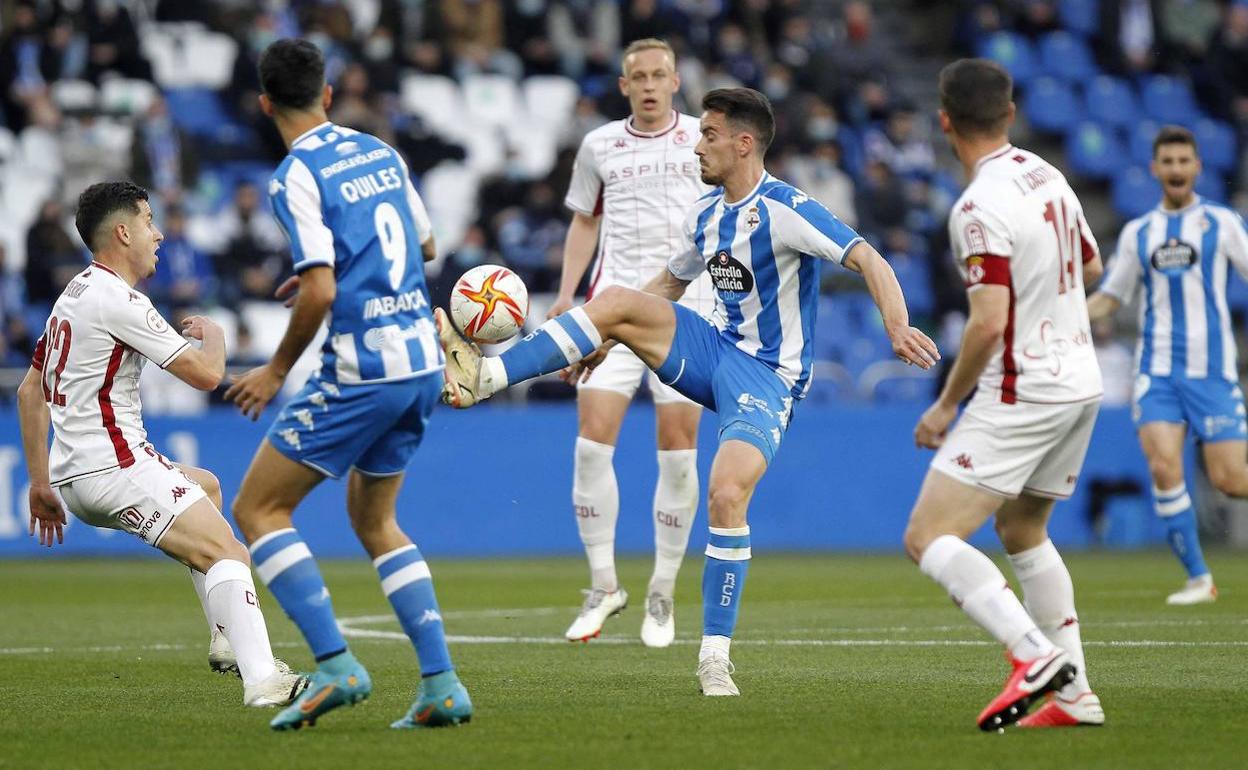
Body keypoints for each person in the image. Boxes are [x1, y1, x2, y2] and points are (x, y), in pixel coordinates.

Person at [437, 87, 938, 696]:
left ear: (743, 144)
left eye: (709, 135)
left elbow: (871, 259)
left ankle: (714, 657)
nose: (698, 145)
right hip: (714, 352)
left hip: (767, 376)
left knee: (727, 495)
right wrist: (604, 335)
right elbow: (668, 284)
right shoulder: (706, 215)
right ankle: (485, 377)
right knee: (618, 299)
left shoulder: (786, 208)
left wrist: (895, 322)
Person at [223, 39, 471, 731]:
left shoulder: (295, 175)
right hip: (422, 361)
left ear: (265, 104)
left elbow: (323, 290)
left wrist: (274, 369)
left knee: (258, 510)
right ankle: (442, 684)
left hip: (365, 370)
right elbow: (423, 247)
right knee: (375, 521)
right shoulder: (379, 151)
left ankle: (335, 665)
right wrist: (324, 273)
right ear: (327, 95)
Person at [16, 181, 305, 709]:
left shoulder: (75, 292)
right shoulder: (119, 299)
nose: (160, 234)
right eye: (149, 221)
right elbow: (205, 374)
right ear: (122, 232)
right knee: (229, 552)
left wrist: (39, 482)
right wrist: (216, 336)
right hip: (114, 466)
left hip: (75, 474)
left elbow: (29, 390)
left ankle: (225, 639)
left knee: (208, 488)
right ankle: (263, 680)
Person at [904, 59, 1106, 731]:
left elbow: (988, 322)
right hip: (1081, 380)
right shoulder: (1048, 175)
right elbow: (1092, 263)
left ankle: (1032, 655)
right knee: (1022, 528)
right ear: (1011, 113)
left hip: (1025, 388)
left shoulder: (975, 206)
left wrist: (944, 405)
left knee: (928, 534)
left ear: (944, 122)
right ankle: (1076, 697)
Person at [549, 38, 715, 647]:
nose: (648, 85)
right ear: (624, 86)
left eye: (659, 75)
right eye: (638, 77)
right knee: (591, 448)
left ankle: (664, 592)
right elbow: (584, 220)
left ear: (676, 81)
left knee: (677, 450)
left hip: (687, 313)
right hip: (612, 313)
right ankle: (603, 586)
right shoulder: (599, 146)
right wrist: (567, 294)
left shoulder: (704, 137)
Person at [1087, 125, 1248, 605]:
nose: (1176, 170)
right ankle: (1199, 578)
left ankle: (1200, 575)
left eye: (1184, 161)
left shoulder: (1222, 224)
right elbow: (1111, 298)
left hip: (1213, 372)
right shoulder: (1140, 233)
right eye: (1168, 162)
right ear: (1155, 169)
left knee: (1230, 480)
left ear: (1197, 167)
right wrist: (1067, 314)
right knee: (1163, 466)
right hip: (1156, 372)